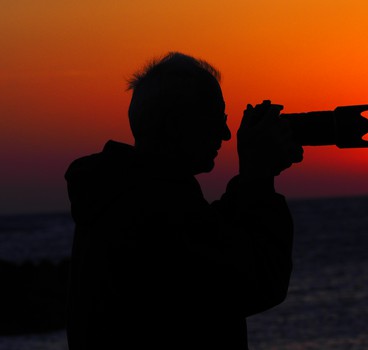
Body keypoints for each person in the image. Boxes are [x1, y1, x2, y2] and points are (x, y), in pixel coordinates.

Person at [64, 52, 303, 349]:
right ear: (179, 126)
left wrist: (253, 178)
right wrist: (258, 179)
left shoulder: (121, 194)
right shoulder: (155, 207)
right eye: (217, 119)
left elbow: (213, 239)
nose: (226, 134)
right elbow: (258, 281)